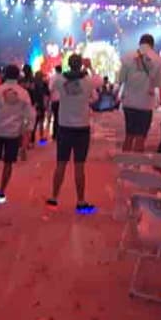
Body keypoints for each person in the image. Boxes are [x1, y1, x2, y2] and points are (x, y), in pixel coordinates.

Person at [46, 55, 101, 214]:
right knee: (79, 166)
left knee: (61, 164)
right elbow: (100, 82)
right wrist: (90, 67)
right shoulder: (88, 81)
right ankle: (81, 201)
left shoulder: (60, 80)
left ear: (68, 65)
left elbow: (51, 87)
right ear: (81, 65)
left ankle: (54, 197)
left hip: (64, 127)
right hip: (82, 128)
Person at [0, 64, 34, 204]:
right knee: (8, 163)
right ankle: (2, 191)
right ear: (18, 76)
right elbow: (29, 115)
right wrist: (27, 132)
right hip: (14, 133)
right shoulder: (24, 93)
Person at [118, 34, 161, 153]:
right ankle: (136, 166)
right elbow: (160, 84)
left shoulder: (128, 56)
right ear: (152, 44)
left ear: (140, 43)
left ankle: (125, 165)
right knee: (141, 138)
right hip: (146, 103)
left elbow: (121, 79)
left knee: (129, 135)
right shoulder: (157, 59)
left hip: (129, 102)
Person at [30, 71, 50, 145]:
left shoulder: (33, 84)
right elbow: (47, 93)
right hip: (40, 104)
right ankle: (41, 138)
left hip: (35, 105)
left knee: (34, 122)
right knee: (40, 121)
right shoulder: (43, 84)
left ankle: (32, 139)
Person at [48, 65, 62, 141]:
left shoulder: (53, 78)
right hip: (63, 101)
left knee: (56, 118)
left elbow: (50, 88)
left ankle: (55, 135)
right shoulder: (64, 77)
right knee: (61, 118)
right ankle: (61, 134)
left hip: (55, 100)